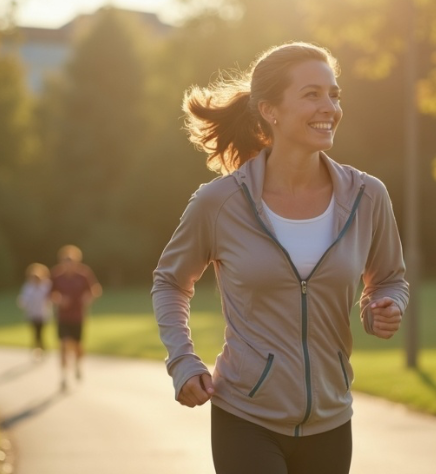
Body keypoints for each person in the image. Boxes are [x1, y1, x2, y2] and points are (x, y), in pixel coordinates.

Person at [151, 41, 409, 474]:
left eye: (334, 94)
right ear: (270, 110)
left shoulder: (367, 196)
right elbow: (170, 282)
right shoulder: (220, 203)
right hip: (245, 416)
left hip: (330, 418)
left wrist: (384, 307)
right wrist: (182, 359)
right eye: (312, 94)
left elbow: (389, 279)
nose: (329, 106)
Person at [50, 244, 102, 391]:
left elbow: (95, 290)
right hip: (63, 317)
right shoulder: (57, 275)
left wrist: (88, 297)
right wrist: (59, 300)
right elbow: (50, 294)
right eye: (66, 260)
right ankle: (64, 377)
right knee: (64, 345)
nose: (69, 263)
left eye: (71, 260)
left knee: (78, 347)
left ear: (76, 261)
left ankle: (78, 365)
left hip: (78, 317)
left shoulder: (84, 274)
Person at [16, 262, 53, 361]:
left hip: (43, 314)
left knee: (40, 333)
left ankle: (41, 349)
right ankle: (38, 349)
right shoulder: (29, 286)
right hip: (32, 314)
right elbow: (24, 298)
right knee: (35, 333)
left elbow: (50, 298)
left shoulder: (46, 285)